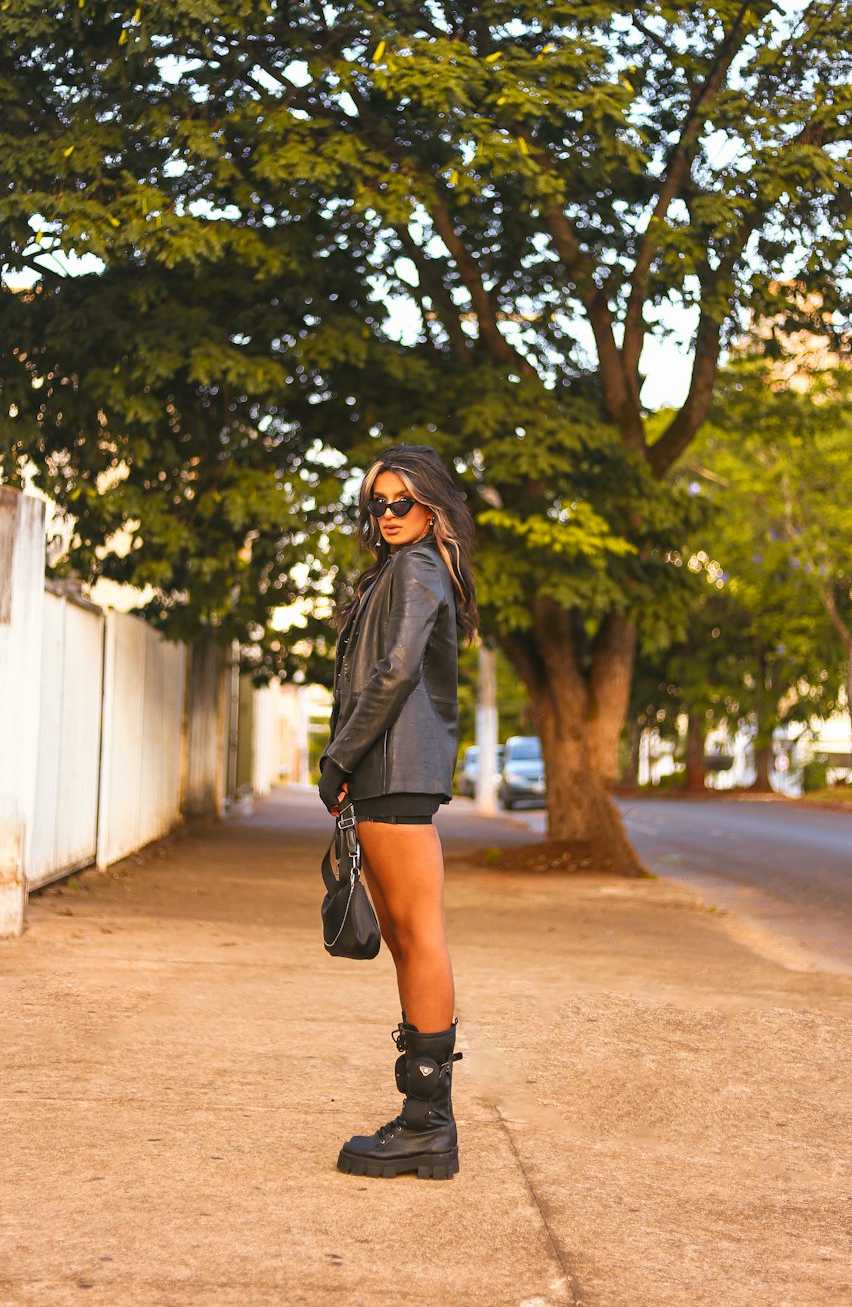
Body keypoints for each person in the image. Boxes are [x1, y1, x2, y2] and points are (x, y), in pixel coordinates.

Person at [318, 444, 479, 1181]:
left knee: (419, 936)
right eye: (376, 503)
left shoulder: (416, 569)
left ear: (432, 507)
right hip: (389, 770)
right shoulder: (399, 568)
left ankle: (427, 1125)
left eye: (401, 502)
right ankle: (422, 1119)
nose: (386, 515)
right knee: (410, 941)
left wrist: (340, 757)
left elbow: (393, 672)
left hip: (395, 768)